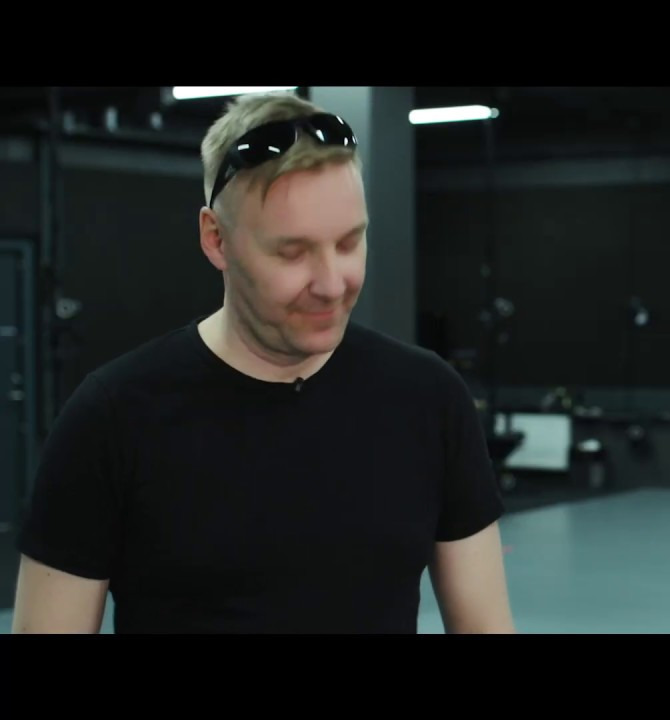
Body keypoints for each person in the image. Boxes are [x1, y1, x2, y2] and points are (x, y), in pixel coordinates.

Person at [12, 91, 516, 634]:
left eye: (350, 243)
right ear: (216, 239)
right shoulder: (112, 419)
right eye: (292, 252)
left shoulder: (429, 399)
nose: (331, 284)